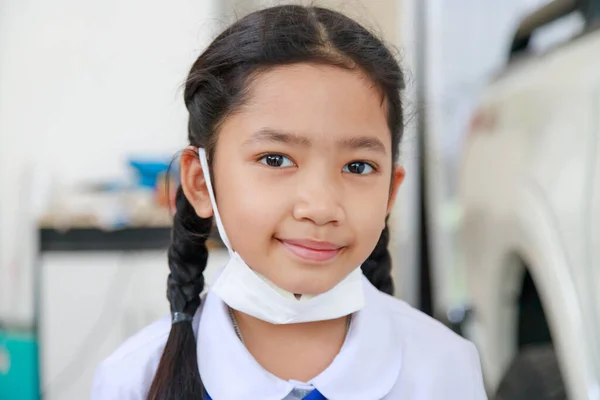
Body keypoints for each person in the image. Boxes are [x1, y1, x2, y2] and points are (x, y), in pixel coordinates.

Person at [91, 5, 487, 400]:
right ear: (200, 183)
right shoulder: (134, 380)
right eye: (275, 159)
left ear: (390, 192)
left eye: (358, 166)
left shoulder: (444, 366)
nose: (320, 207)